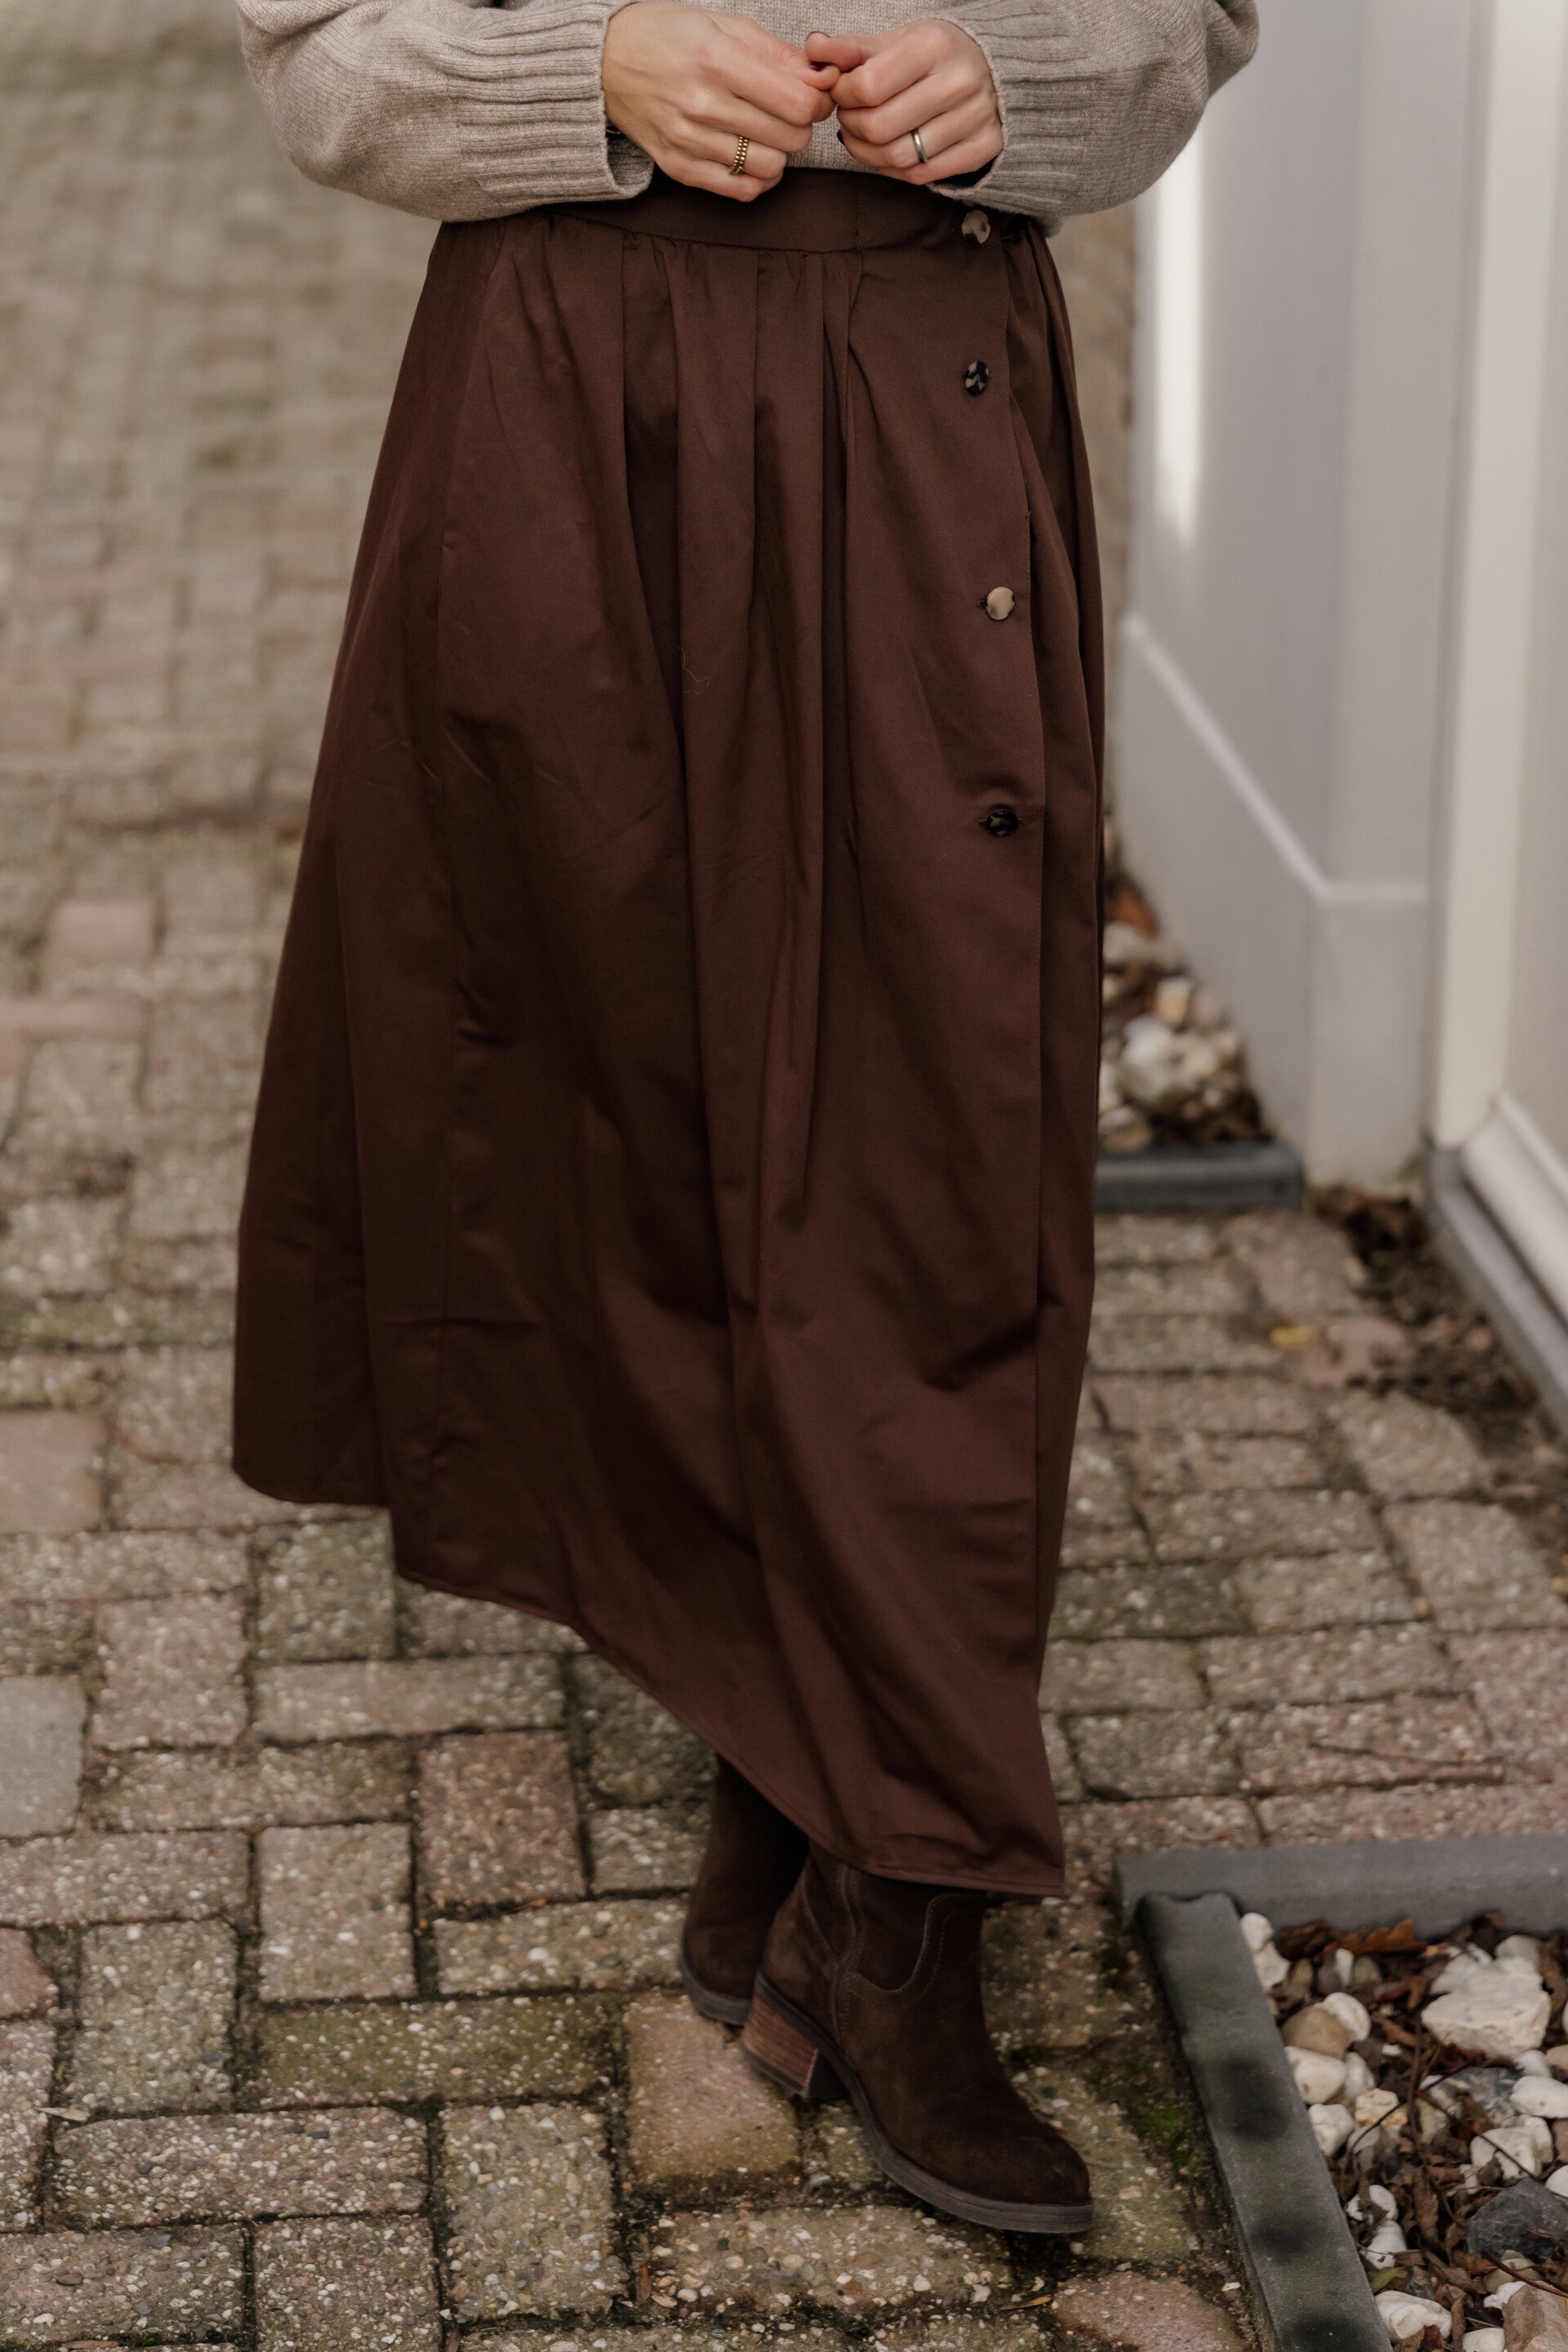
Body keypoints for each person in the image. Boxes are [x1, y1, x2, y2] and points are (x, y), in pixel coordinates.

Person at [232, 0, 1256, 2233]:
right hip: (576, 415)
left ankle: (904, 1897)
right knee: (624, 1114)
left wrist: (1030, 79)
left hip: (923, 395)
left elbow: (1194, 16)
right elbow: (314, 49)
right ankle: (791, 1803)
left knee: (936, 1140)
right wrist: (584, 68)